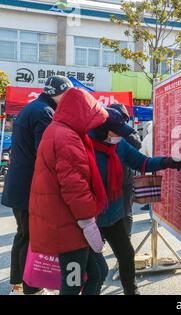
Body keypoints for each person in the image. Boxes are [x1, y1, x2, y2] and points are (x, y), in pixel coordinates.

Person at [28, 88, 124, 295]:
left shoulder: (60, 131)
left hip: (67, 221)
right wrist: (89, 223)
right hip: (69, 225)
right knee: (73, 282)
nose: (94, 124)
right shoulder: (67, 137)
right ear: (80, 113)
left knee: (98, 271)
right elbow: (75, 187)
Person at [90, 118, 181, 295]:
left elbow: (141, 162)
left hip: (113, 214)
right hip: (89, 218)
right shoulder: (83, 144)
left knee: (126, 255)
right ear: (107, 132)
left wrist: (167, 162)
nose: (120, 136)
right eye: (118, 132)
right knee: (95, 269)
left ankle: (132, 292)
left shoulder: (120, 146)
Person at [2, 76, 73, 295]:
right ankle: (30, 288)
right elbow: (46, 155)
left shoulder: (31, 108)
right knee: (32, 236)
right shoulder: (45, 113)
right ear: (58, 93)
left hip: (18, 185)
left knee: (23, 234)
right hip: (30, 188)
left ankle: (18, 283)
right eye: (67, 96)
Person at [109, 104, 142, 237]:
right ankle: (105, 238)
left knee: (126, 211)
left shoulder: (128, 132)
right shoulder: (102, 129)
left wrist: (124, 131)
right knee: (107, 209)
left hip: (124, 179)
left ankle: (126, 238)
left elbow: (137, 145)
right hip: (107, 177)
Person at [140, 122, 154, 212]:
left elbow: (141, 153)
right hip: (163, 167)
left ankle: (151, 216)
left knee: (151, 193)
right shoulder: (163, 137)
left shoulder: (147, 138)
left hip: (150, 169)